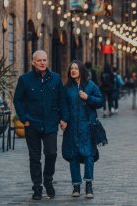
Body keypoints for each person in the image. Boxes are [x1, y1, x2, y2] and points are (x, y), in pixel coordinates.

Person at [13, 50, 68, 200]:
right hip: (32, 124)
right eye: (39, 60)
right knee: (34, 157)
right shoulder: (25, 79)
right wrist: (24, 118)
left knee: (51, 153)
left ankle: (48, 180)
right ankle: (37, 187)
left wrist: (64, 118)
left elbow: (61, 100)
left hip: (50, 123)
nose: (42, 63)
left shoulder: (56, 79)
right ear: (33, 62)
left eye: (44, 60)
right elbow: (17, 100)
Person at [61, 60, 104, 198]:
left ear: (81, 71)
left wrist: (88, 97)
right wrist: (62, 121)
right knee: (73, 156)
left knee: (88, 156)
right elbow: (63, 107)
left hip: (87, 127)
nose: (73, 71)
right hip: (72, 128)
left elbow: (101, 101)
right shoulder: (66, 88)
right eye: (71, 68)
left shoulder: (90, 86)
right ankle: (76, 186)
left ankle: (89, 186)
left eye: (76, 68)